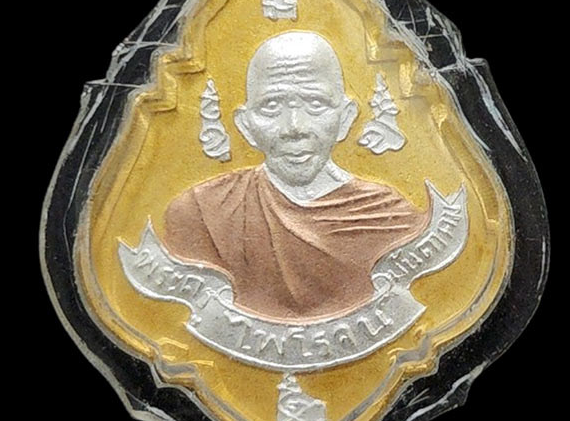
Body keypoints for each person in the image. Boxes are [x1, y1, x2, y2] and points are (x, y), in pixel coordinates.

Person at [164, 31, 428, 321]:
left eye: (315, 104)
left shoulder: (392, 219)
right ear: (246, 125)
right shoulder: (200, 214)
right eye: (271, 106)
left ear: (345, 118)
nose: (294, 127)